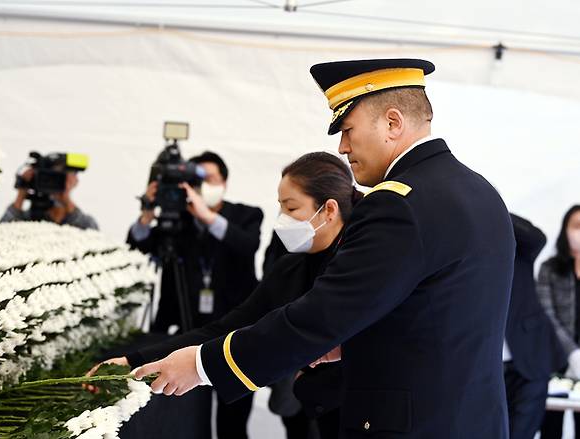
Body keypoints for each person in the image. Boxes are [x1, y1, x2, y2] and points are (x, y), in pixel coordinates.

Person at [133, 58, 516, 439]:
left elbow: (324, 315)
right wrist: (352, 346)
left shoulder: (397, 203)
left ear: (393, 123)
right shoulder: (481, 193)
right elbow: (438, 318)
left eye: (348, 129)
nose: (343, 146)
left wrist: (201, 364)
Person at [92, 152, 354, 438]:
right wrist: (132, 361)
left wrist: (200, 364)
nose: (283, 221)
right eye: (281, 208)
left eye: (292, 208)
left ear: (329, 210)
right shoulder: (289, 267)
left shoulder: (358, 265)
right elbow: (226, 327)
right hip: (318, 402)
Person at [126, 151, 263, 439]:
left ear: (223, 182)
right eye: (195, 180)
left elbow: (246, 244)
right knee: (187, 417)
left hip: (235, 332)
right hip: (189, 332)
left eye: (207, 179)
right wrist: (149, 209)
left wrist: (206, 215)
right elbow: (139, 245)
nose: (199, 187)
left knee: (232, 421)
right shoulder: (178, 221)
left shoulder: (246, 214)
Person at [503, 214, 566, 439]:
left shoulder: (521, 247)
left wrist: (496, 209)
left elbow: (538, 238)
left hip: (528, 362)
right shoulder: (467, 242)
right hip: (486, 367)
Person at [538, 205, 580, 438]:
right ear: (565, 230)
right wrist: (573, 353)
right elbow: (547, 314)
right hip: (555, 362)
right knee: (551, 428)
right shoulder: (550, 269)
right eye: (576, 226)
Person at [0, 167, 98, 230]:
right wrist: (21, 193)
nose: (52, 183)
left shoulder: (86, 222)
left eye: (59, 178)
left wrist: (66, 198)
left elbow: (92, 233)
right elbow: (1, 230)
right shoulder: (29, 218)